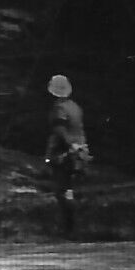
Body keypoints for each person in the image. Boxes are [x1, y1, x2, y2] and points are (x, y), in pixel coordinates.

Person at [44, 74, 90, 235]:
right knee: (71, 189)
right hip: (79, 152)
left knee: (62, 190)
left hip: (64, 154)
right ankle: (76, 226)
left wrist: (66, 147)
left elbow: (60, 130)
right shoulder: (75, 107)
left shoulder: (59, 108)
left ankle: (69, 228)